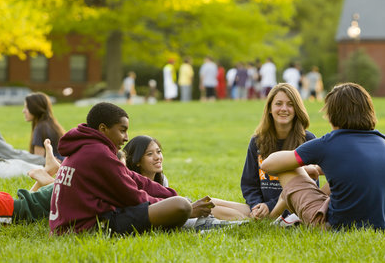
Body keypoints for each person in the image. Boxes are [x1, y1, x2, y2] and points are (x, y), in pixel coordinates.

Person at [261, 82, 385, 231]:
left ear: (332, 114)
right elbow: (352, 168)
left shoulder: (329, 143)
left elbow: (268, 165)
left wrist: (303, 167)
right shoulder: (382, 140)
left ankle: (271, 218)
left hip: (334, 227)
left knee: (287, 168)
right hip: (381, 225)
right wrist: (317, 169)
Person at [49, 102, 192, 235]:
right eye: (122, 131)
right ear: (103, 129)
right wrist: (180, 205)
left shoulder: (85, 147)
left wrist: (171, 194)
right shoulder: (98, 153)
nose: (126, 137)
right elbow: (133, 197)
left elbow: (132, 177)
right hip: (89, 227)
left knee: (179, 201)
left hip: (71, 224)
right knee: (180, 206)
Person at [123, 135, 252, 221]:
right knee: (211, 208)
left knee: (210, 201)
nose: (157, 157)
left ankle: (254, 211)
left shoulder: (162, 179)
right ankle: (251, 220)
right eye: (150, 154)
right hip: (173, 215)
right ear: (137, 160)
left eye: (159, 151)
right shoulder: (133, 183)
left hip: (180, 209)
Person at [241, 83, 316, 221]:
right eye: (278, 104)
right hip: (262, 209)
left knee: (241, 215)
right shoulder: (257, 141)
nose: (284, 109)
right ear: (270, 108)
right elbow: (249, 183)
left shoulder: (308, 140)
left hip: (293, 210)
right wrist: (256, 205)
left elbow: (310, 187)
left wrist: (269, 206)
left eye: (290, 104)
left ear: (297, 109)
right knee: (214, 205)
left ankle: (263, 218)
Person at [23, 92, 66, 162]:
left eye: (27, 107)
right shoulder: (52, 124)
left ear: (35, 108)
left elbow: (38, 160)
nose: (23, 111)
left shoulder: (40, 128)